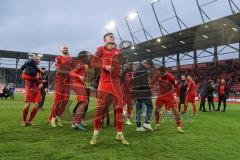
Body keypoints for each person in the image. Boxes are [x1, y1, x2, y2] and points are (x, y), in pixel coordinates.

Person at [89, 33, 129, 145]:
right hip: (104, 83)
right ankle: (95, 135)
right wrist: (104, 66)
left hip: (116, 83)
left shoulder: (118, 51)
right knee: (100, 109)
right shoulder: (101, 49)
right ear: (105, 39)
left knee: (119, 108)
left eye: (113, 36)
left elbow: (124, 63)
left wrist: (122, 70)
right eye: (110, 36)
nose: (112, 37)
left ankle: (119, 135)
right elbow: (92, 62)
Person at [151, 66, 184, 133]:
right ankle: (157, 125)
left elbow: (177, 86)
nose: (160, 74)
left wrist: (177, 96)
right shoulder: (158, 74)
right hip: (160, 95)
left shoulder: (171, 77)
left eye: (161, 72)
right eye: (159, 72)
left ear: (165, 71)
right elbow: (153, 82)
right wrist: (150, 87)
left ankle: (179, 127)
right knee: (157, 110)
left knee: (175, 111)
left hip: (169, 95)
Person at [49, 46, 72, 127]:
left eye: (66, 48)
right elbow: (58, 70)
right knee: (57, 101)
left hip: (67, 83)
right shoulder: (58, 58)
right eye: (64, 48)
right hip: (59, 82)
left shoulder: (70, 58)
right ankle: (52, 118)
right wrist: (69, 72)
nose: (66, 49)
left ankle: (58, 117)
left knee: (65, 101)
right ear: (61, 50)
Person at [132, 59, 154, 132]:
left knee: (139, 109)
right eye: (150, 65)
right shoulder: (144, 71)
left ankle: (138, 127)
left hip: (137, 92)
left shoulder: (137, 70)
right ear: (147, 64)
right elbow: (144, 83)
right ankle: (147, 122)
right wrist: (149, 93)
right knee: (150, 106)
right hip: (143, 92)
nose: (150, 67)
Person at [21, 56, 43, 127]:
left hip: (37, 88)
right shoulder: (27, 68)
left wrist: (41, 83)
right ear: (35, 60)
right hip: (29, 87)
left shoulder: (38, 70)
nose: (40, 61)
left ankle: (30, 121)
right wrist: (34, 78)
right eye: (39, 59)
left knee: (36, 105)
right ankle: (24, 121)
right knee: (27, 105)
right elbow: (24, 77)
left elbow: (38, 79)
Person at [70, 51, 89, 131]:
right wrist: (79, 76)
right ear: (83, 57)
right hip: (77, 84)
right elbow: (71, 72)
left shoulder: (83, 64)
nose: (88, 57)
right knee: (83, 102)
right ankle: (77, 122)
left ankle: (76, 122)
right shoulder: (80, 63)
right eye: (87, 56)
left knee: (84, 102)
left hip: (80, 84)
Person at [120, 62, 134, 126]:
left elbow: (133, 82)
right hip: (124, 91)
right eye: (129, 64)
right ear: (127, 65)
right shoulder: (124, 72)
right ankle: (121, 118)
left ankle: (128, 120)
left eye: (131, 64)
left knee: (130, 105)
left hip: (130, 92)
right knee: (122, 105)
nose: (130, 65)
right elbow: (121, 80)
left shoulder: (133, 73)